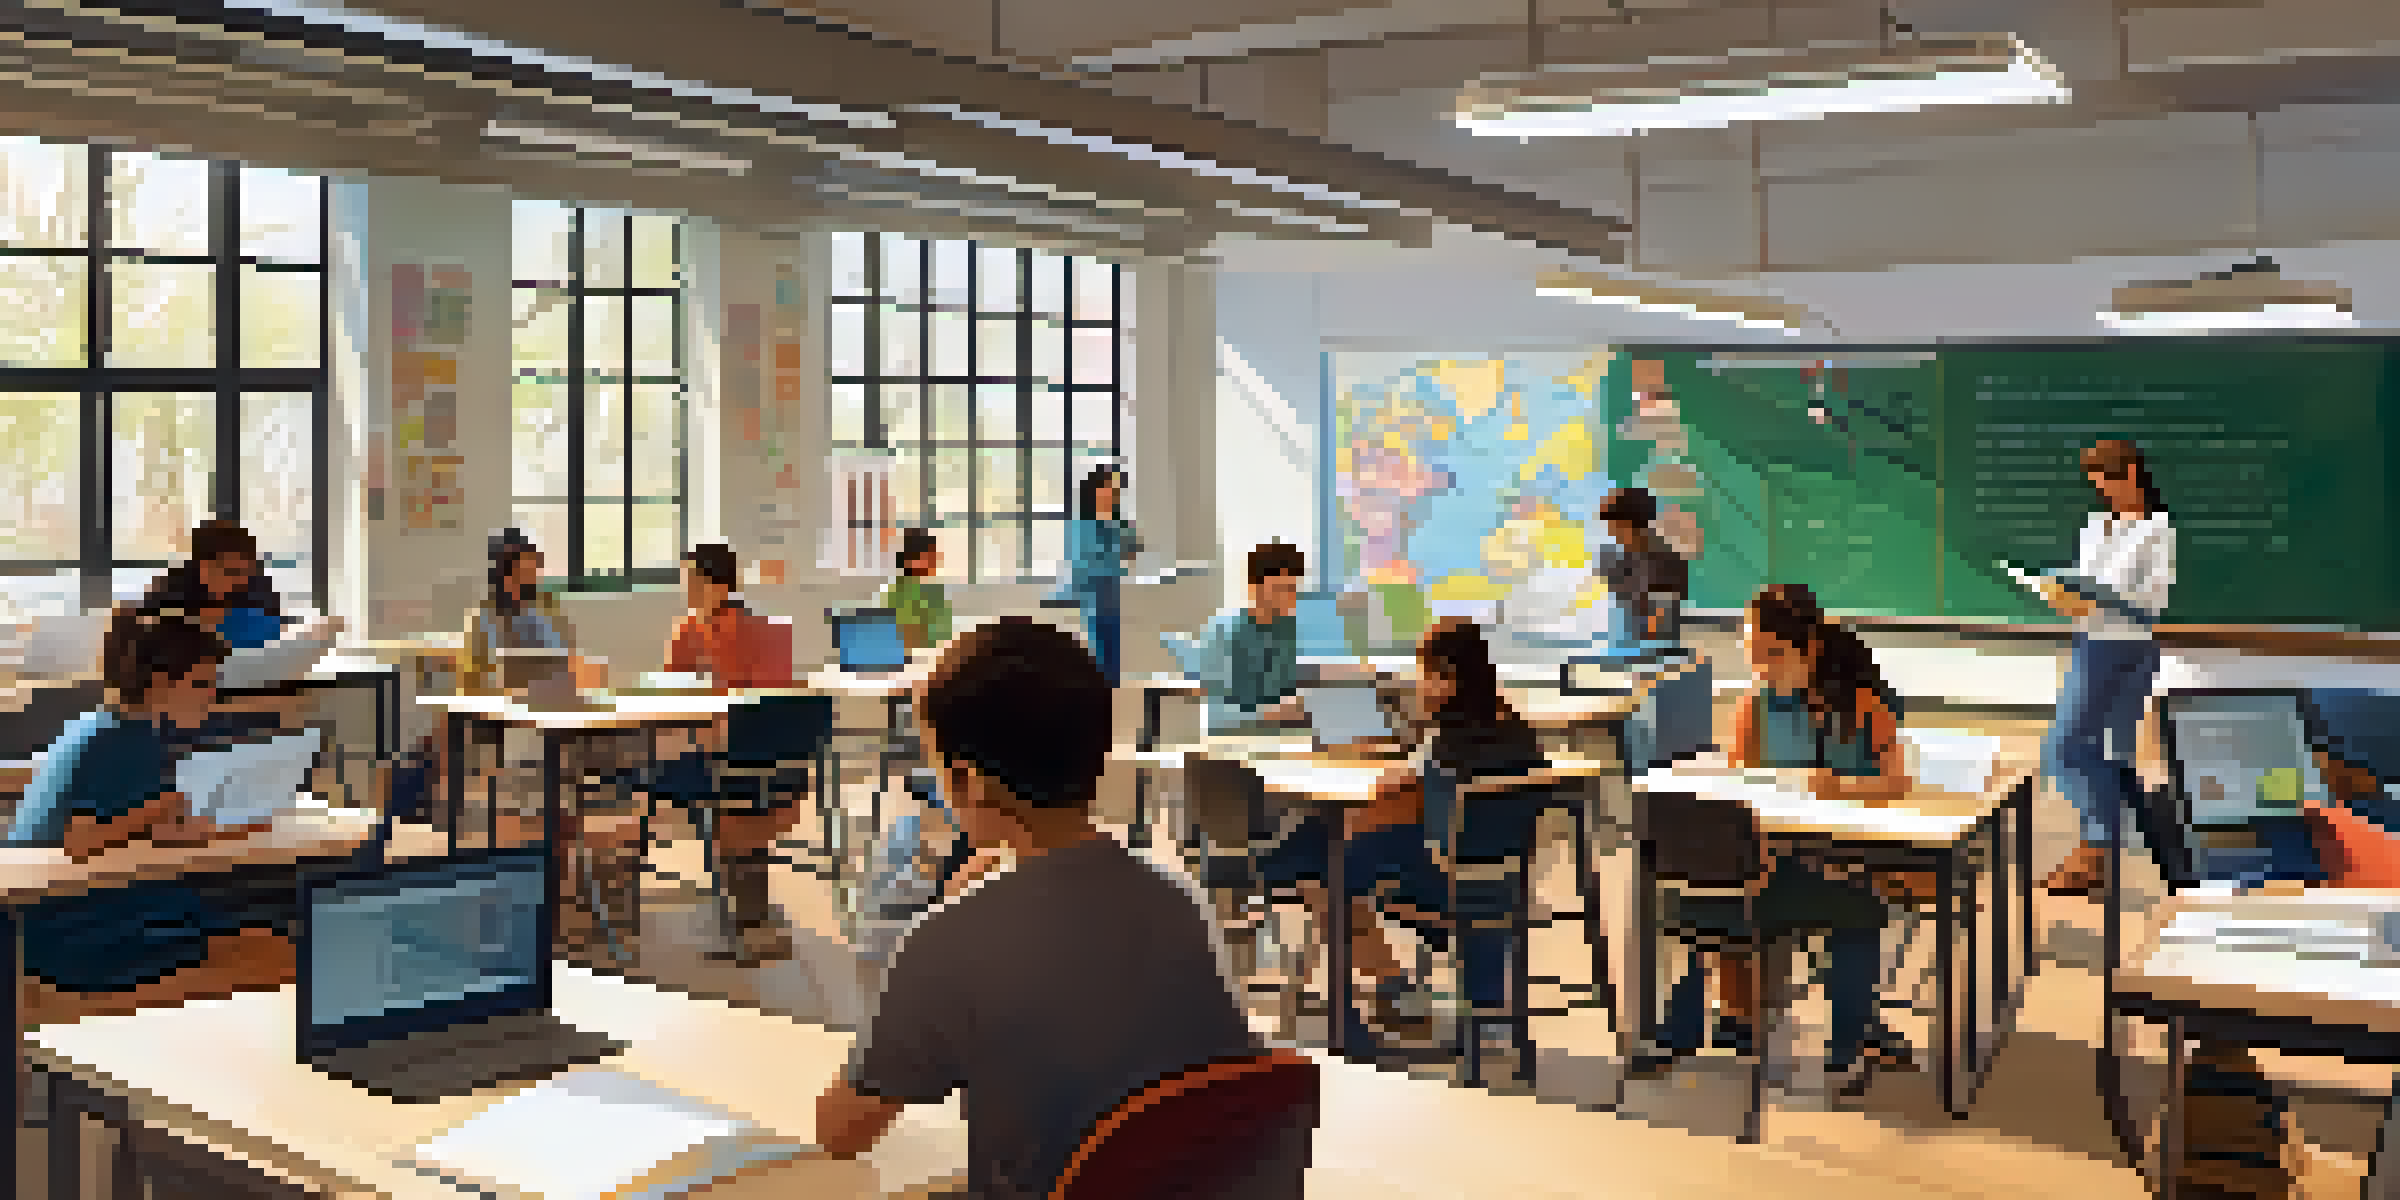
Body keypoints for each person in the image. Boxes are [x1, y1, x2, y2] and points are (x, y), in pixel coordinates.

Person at [813, 617, 1264, 1200]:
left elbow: (841, 1131)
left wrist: (943, 922)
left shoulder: (954, 939)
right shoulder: (1179, 901)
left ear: (969, 782)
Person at [1636, 584, 1915, 1085]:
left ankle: (1838, 1041)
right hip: (1766, 864)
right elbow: (1737, 784)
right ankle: (1838, 1038)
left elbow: (1896, 782)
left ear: (1809, 649)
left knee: (1853, 900)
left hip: (1830, 856)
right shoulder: (1755, 707)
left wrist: (1839, 785)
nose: (1759, 666)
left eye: (1771, 653)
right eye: (1751, 653)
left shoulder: (1860, 703)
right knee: (1708, 897)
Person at [1253, 617, 1546, 1052]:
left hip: (1439, 879)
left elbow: (1391, 787)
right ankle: (1463, 1006)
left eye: (1425, 673)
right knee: (1337, 853)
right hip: (1504, 882)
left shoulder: (1447, 741)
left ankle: (1359, 1016)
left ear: (1447, 678)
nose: (1419, 684)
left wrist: (1378, 759)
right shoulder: (1517, 731)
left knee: (1321, 860)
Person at [5, 615, 295, 1020]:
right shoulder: (121, 740)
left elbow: (147, 830)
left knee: (261, 937)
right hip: (76, 929)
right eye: (201, 684)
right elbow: (81, 840)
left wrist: (231, 827)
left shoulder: (109, 724)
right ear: (160, 682)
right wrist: (162, 806)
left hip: (56, 920)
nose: (212, 696)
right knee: (277, 953)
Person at [649, 543, 801, 960]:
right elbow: (674, 692)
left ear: (719, 585)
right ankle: (754, 921)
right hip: (773, 768)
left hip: (735, 766)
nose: (688, 590)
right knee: (739, 789)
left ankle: (751, 922)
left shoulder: (710, 630)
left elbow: (676, 700)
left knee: (712, 786)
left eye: (694, 582)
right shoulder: (758, 629)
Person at [2040, 439, 2177, 897]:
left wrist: (2097, 601)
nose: (2104, 492)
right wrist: (2063, 596)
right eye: (2096, 483)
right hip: (2091, 639)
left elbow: (2152, 601)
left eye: (2109, 480)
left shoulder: (2158, 530)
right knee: (2105, 753)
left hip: (2126, 646)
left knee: (2065, 747)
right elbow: (2084, 581)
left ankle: (2097, 849)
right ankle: (2096, 856)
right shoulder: (2096, 525)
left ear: (2133, 474)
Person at [1063, 465, 1139, 684]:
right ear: (1095, 490)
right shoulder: (1081, 525)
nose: (1114, 494)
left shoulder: (1118, 523)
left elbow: (1131, 552)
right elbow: (1087, 563)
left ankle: (1111, 689)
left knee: (1112, 653)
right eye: (1109, 488)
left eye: (1117, 490)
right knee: (1097, 652)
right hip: (1093, 596)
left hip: (1113, 595)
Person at [1593, 486, 1691, 644]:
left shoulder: (1664, 559)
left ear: (1628, 523)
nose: (1611, 530)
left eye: (1612, 523)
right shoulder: (1621, 559)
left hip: (1650, 646)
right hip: (1624, 639)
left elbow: (1660, 624)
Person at [881, 528, 953, 653]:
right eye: (929, 556)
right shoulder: (904, 590)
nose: (933, 561)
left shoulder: (932, 588)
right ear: (909, 560)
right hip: (920, 653)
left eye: (933, 556)